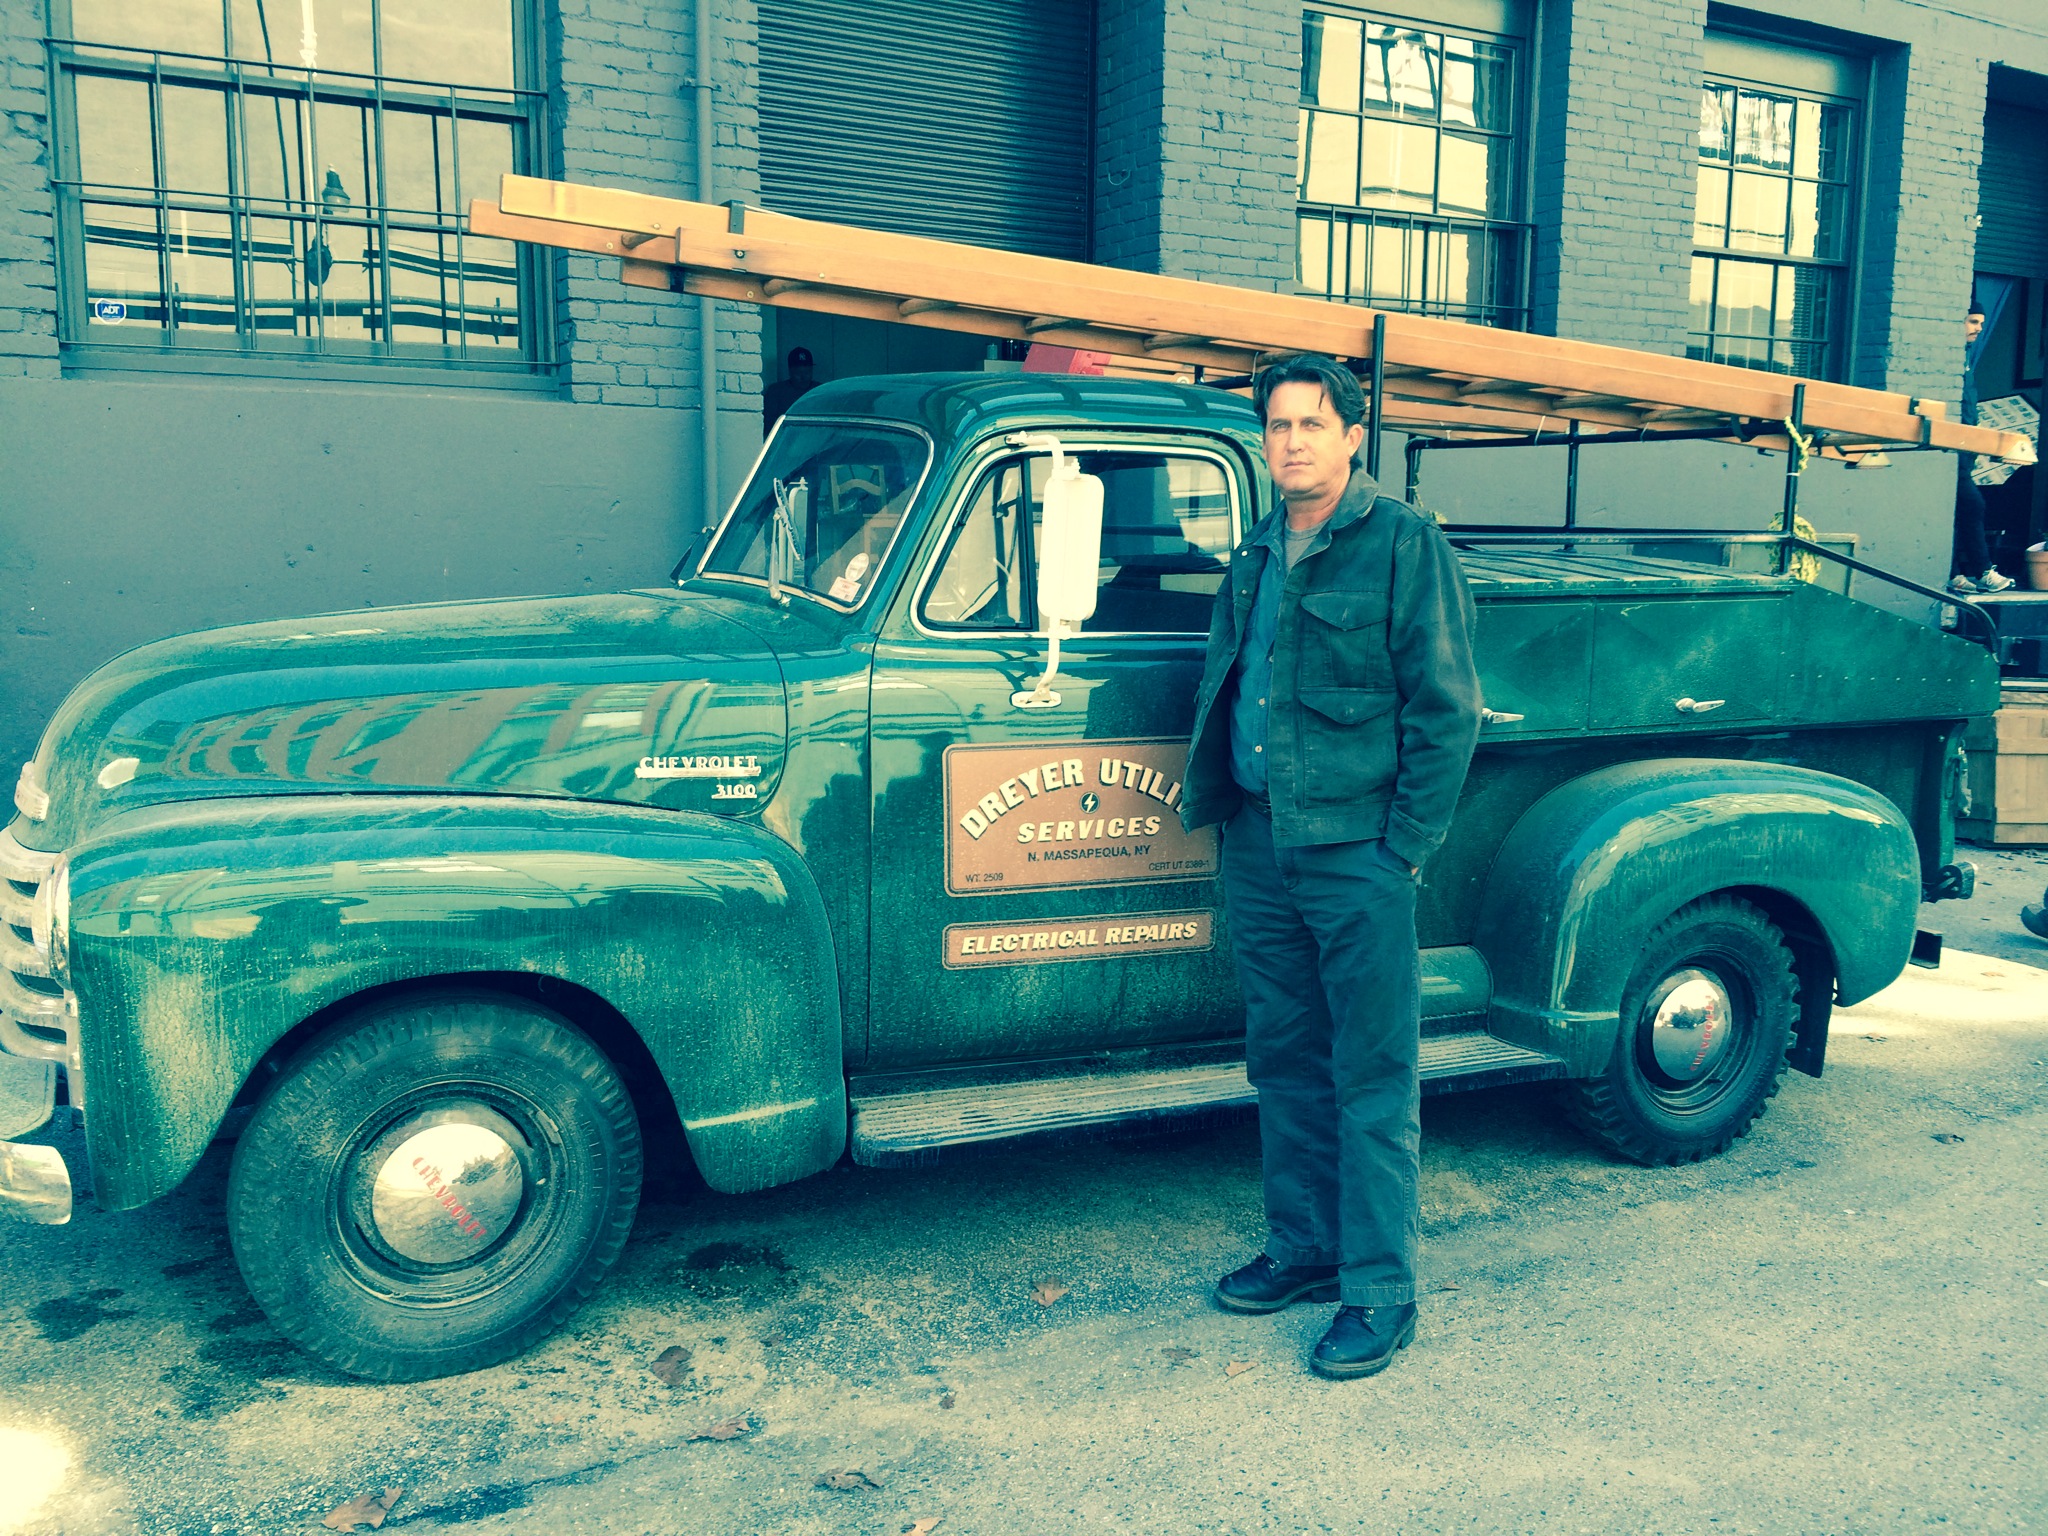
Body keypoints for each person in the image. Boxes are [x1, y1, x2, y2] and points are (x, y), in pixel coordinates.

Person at [1180, 353, 1481, 1380]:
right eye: (1276, 424)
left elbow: (1447, 710)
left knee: (1370, 1075)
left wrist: (1399, 850)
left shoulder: (1402, 544)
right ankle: (1303, 1250)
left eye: (1312, 423)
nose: (1291, 440)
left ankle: (1380, 1293)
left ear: (1353, 436)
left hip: (1355, 853)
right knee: (1283, 1062)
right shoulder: (1255, 552)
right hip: (1260, 844)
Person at [1950, 302, 2014, 595]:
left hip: (1963, 450)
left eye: (1981, 323)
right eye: (1973, 321)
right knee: (1972, 505)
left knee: (1958, 509)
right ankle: (1983, 572)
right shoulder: (1949, 358)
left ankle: (1954, 574)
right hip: (1949, 448)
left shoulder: (1963, 358)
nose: (1978, 328)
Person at [762, 346, 817, 430]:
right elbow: (768, 424)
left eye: (807, 372)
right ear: (790, 372)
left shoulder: (819, 391)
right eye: (798, 373)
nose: (803, 377)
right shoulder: (776, 392)